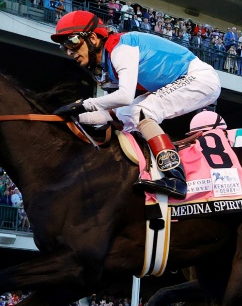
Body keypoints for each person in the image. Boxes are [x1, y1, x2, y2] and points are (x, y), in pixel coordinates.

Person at [51, 10, 221, 199]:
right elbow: (111, 113)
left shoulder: (120, 49)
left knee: (143, 111)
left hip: (199, 77)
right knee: (123, 116)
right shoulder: (107, 62)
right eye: (63, 47)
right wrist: (69, 118)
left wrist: (83, 104)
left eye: (71, 42)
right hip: (180, 80)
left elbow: (124, 96)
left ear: (93, 37)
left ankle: (176, 177)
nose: (69, 51)